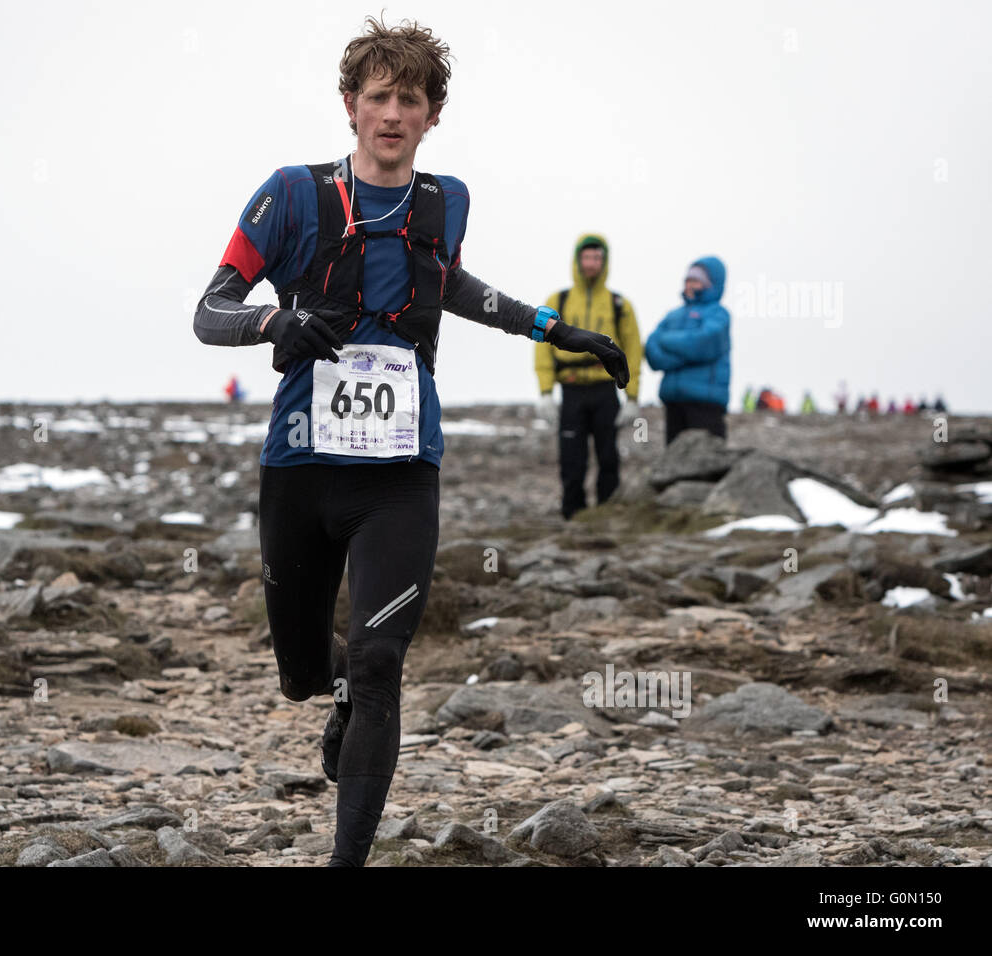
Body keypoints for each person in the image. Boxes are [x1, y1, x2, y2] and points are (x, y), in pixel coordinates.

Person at [191, 15, 627, 868]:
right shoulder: (292, 194)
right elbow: (209, 310)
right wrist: (272, 321)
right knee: (304, 672)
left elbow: (449, 281)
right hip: (300, 468)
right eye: (380, 96)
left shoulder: (444, 201)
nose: (394, 113)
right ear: (350, 105)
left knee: (386, 658)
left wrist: (555, 327)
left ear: (434, 115)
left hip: (401, 470)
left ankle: (346, 861)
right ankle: (338, 687)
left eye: (412, 99)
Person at [533, 234, 642, 518]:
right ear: (577, 261)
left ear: (604, 262)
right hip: (570, 392)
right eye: (587, 257)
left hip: (606, 390)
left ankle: (607, 515)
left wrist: (632, 397)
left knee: (608, 456)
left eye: (597, 258)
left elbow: (633, 349)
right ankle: (573, 515)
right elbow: (542, 349)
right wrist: (545, 393)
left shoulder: (620, 305)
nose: (592, 263)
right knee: (572, 457)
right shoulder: (558, 300)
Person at [644, 257, 730, 443]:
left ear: (712, 284)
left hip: (706, 405)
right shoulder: (672, 315)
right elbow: (651, 349)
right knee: (675, 463)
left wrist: (667, 341)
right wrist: (687, 353)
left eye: (697, 280)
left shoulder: (719, 314)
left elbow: (702, 344)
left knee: (708, 464)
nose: (690, 284)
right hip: (673, 403)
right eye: (688, 279)